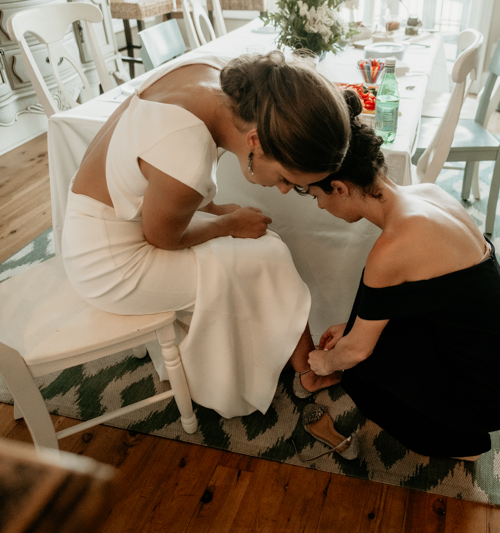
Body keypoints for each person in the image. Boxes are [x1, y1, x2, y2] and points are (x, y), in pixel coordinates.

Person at [62, 51, 350, 419]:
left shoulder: (214, 73)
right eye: (284, 179)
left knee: (265, 248)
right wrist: (228, 224)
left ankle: (298, 364)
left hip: (109, 217)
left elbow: (157, 176)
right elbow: (160, 235)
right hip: (108, 262)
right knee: (266, 256)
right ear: (256, 141)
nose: (280, 190)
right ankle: (300, 369)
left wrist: (215, 213)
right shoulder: (188, 153)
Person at [300, 91, 500, 461]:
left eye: (318, 197)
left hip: (495, 397)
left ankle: (461, 443)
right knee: (365, 342)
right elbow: (429, 298)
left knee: (360, 373)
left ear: (340, 188)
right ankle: (454, 417)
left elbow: (358, 350)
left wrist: (326, 363)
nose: (321, 206)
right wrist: (351, 328)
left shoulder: (394, 245)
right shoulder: (428, 193)